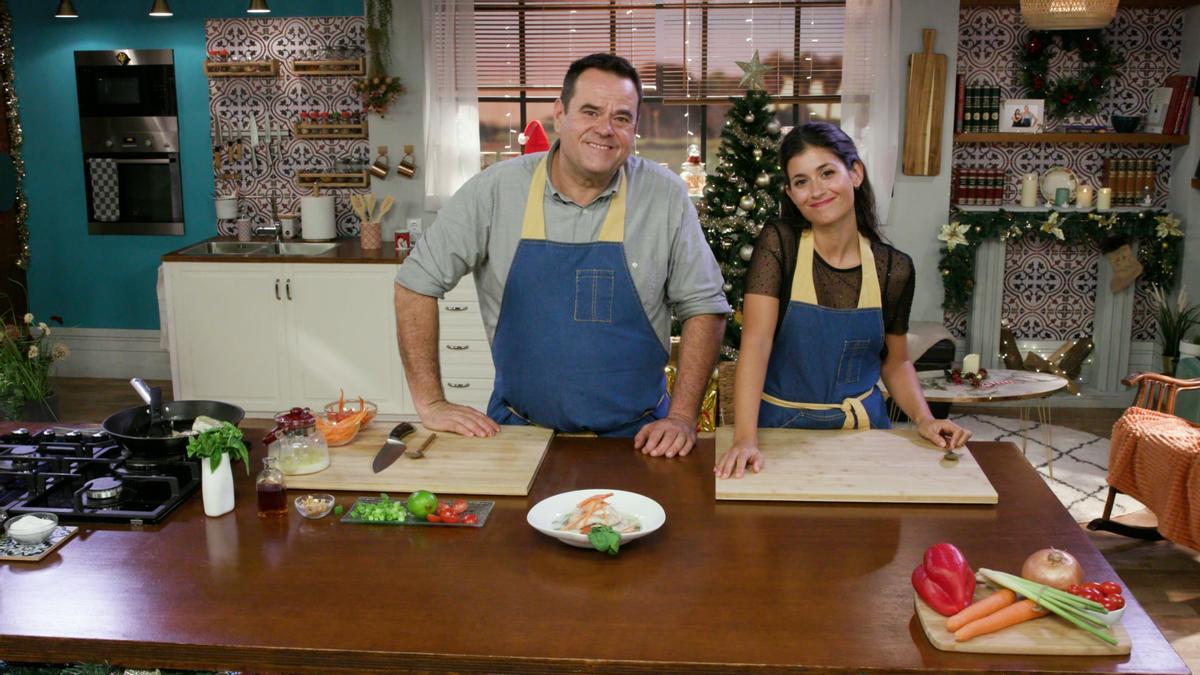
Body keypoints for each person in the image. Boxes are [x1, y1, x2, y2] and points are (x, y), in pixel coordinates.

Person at [394, 53, 729, 458]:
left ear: (635, 128)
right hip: (516, 435)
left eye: (621, 118)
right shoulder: (495, 190)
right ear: (560, 114)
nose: (605, 129)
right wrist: (430, 402)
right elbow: (415, 284)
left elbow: (705, 307)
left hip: (640, 442)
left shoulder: (665, 195)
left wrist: (680, 416)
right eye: (590, 111)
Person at [715, 122, 971, 479]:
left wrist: (925, 419)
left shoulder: (894, 269)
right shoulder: (779, 245)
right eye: (802, 182)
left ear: (855, 173)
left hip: (863, 433)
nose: (816, 190)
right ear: (790, 194)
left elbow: (895, 363)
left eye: (827, 173)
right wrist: (744, 438)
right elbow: (756, 343)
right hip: (779, 429)